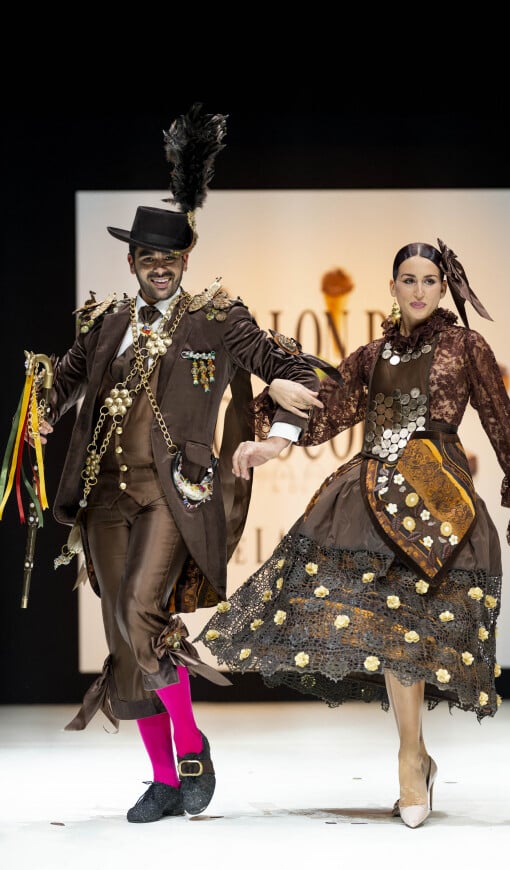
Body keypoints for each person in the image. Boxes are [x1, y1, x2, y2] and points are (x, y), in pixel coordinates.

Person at [198, 238, 510, 828]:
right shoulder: (369, 356)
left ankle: (410, 757)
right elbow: (326, 415)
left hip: (438, 498)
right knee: (393, 628)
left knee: (412, 630)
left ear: (442, 287)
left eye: (428, 279)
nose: (418, 289)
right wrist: (271, 442)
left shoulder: (466, 346)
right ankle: (411, 757)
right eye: (407, 279)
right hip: (368, 499)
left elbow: (502, 420)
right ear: (392, 287)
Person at [30, 105, 327, 824]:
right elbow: (63, 381)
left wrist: (285, 413)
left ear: (184, 261)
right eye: (146, 259)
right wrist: (39, 409)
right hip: (103, 496)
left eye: (169, 260)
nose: (158, 270)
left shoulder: (218, 317)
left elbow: (289, 365)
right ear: (131, 261)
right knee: (122, 634)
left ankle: (191, 748)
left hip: (176, 493)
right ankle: (164, 779)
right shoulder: (104, 322)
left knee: (143, 609)